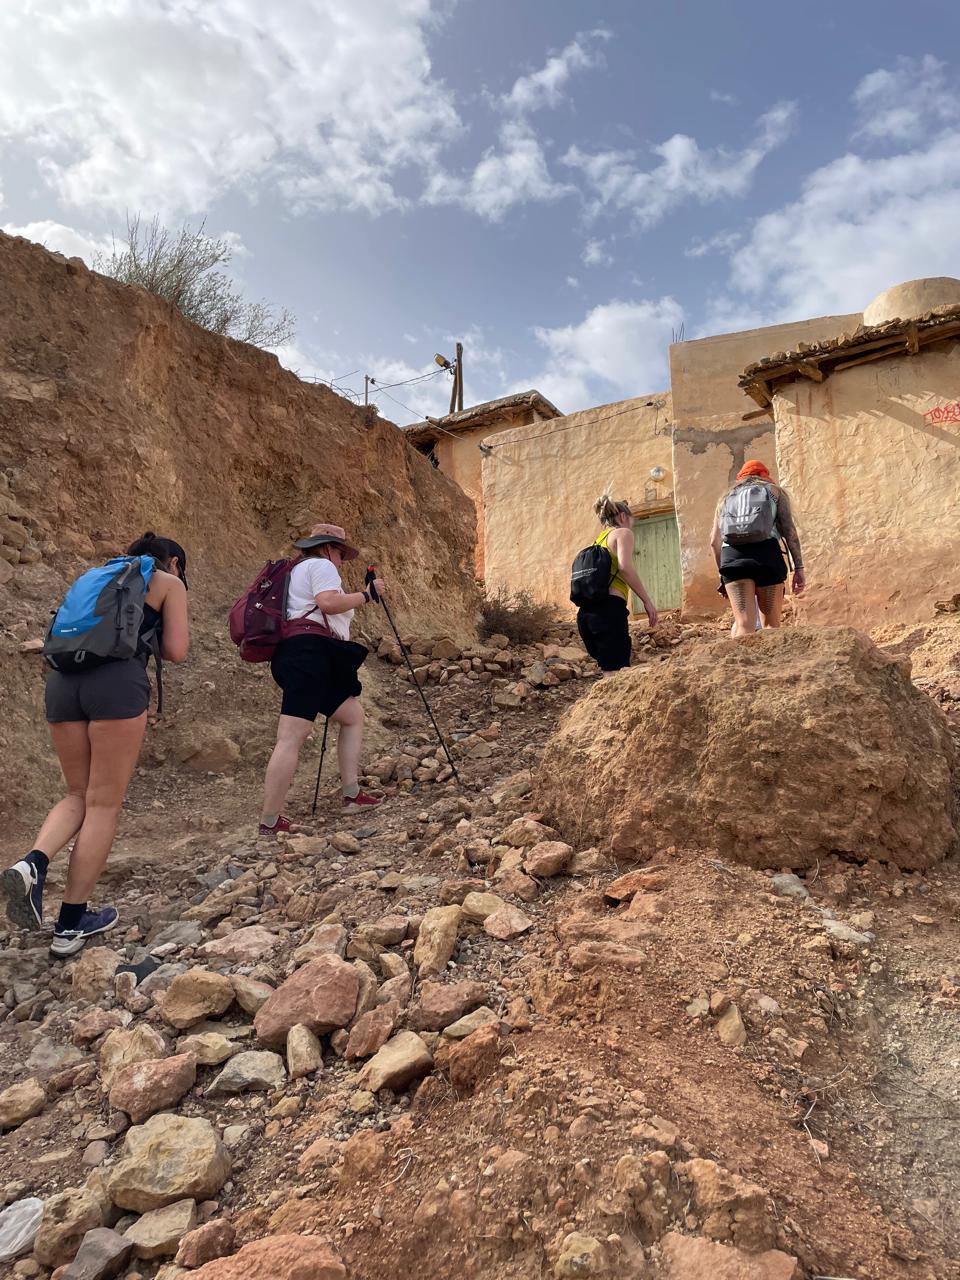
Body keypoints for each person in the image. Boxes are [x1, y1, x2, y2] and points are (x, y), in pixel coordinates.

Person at [1, 533, 189, 957]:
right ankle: (71, 924)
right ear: (172, 561)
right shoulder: (166, 582)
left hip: (63, 683)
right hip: (117, 683)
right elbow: (177, 650)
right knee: (103, 803)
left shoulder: (96, 575)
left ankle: (32, 862)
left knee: (77, 793)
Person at [259, 523, 385, 838]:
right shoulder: (322, 565)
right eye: (341, 553)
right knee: (292, 734)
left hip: (299, 654)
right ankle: (270, 821)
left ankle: (352, 793)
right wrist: (366, 595)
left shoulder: (295, 571)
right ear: (328, 547)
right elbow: (328, 602)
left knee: (352, 715)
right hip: (310, 654)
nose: (341, 561)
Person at [711, 461, 805, 637]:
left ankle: (740, 664)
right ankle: (771, 664)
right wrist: (798, 568)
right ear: (764, 475)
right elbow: (789, 532)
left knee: (743, 624)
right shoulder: (774, 491)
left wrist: (723, 576)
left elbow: (713, 541)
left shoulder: (725, 497)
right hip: (767, 555)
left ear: (741, 478)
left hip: (732, 557)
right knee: (770, 625)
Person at [577, 496, 658, 675]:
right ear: (622, 517)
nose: (631, 526)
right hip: (609, 611)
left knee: (609, 671)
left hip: (586, 615)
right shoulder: (622, 533)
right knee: (615, 674)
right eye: (631, 521)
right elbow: (625, 567)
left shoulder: (597, 542)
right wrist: (647, 601)